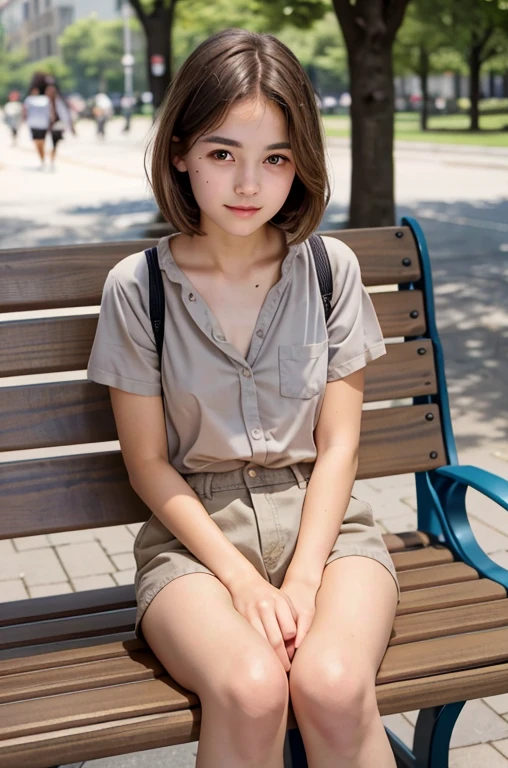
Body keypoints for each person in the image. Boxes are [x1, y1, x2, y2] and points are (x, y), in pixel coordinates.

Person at [87, 28, 400, 768]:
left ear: (302, 165)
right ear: (181, 153)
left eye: (276, 159)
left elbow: (341, 445)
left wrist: (301, 577)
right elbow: (148, 466)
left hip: (330, 535)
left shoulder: (330, 269)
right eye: (223, 154)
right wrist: (240, 581)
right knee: (255, 688)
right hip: (194, 548)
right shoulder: (138, 289)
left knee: (328, 683)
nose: (249, 185)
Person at [45, 81, 75, 170]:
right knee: (49, 144)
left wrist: (70, 126)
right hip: (46, 126)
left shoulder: (58, 102)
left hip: (57, 126)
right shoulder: (45, 102)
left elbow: (65, 115)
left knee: (54, 144)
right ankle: (48, 159)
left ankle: (51, 160)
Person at [23, 86, 50, 169]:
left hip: (43, 124)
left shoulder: (45, 99)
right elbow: (25, 111)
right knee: (36, 142)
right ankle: (42, 159)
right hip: (33, 124)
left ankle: (43, 159)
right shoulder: (29, 100)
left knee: (42, 142)